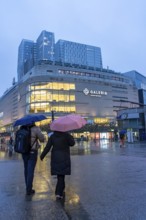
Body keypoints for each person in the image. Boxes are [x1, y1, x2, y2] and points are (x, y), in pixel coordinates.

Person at [40, 131, 75, 199]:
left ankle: (61, 189)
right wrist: (70, 136)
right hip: (64, 157)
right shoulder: (66, 135)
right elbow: (72, 143)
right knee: (61, 175)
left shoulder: (52, 136)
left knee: (60, 175)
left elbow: (48, 147)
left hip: (56, 157)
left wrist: (42, 155)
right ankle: (59, 193)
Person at [21, 122, 45, 195]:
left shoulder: (22, 128)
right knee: (30, 170)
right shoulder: (36, 129)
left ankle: (27, 187)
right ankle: (29, 189)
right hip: (32, 152)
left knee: (26, 169)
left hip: (24, 152)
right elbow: (42, 139)